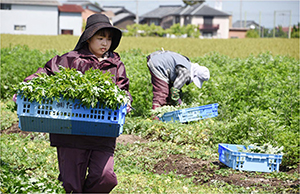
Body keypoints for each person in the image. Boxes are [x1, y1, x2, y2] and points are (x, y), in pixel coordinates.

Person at [18, 14, 132, 193]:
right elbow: (45, 73)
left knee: (105, 177)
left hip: (103, 130)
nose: (105, 43)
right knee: (71, 184)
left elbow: (123, 89)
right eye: (100, 38)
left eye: (109, 39)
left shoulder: (115, 64)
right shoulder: (70, 59)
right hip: (71, 130)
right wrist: (26, 88)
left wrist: (127, 102)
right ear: (88, 38)